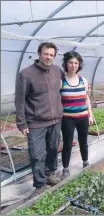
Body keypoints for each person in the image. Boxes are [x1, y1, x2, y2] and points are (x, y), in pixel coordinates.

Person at [15, 42, 63, 195]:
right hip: (36, 122)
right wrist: (22, 122)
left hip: (56, 120)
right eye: (46, 54)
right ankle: (39, 184)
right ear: (39, 54)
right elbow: (20, 100)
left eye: (51, 55)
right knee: (37, 154)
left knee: (53, 150)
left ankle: (49, 174)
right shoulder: (26, 74)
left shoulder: (57, 71)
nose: (48, 57)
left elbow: (61, 90)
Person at [60, 51, 93, 180]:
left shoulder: (83, 80)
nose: (73, 65)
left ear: (79, 65)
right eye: (70, 62)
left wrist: (90, 115)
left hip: (83, 117)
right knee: (67, 143)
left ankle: (85, 162)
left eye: (76, 63)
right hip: (67, 118)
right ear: (66, 64)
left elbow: (87, 99)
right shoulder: (61, 81)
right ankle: (65, 168)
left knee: (83, 141)